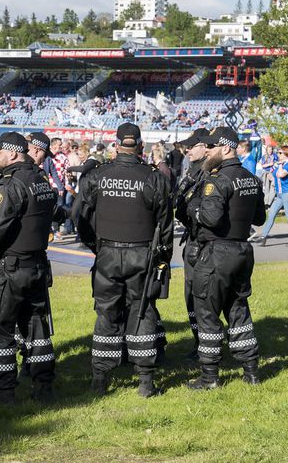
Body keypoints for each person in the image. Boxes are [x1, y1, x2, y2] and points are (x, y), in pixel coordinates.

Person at [76, 122, 173, 398]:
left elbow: (79, 216)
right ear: (141, 146)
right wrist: (162, 258)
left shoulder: (97, 176)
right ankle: (145, 380)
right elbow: (165, 225)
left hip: (107, 253)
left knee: (106, 313)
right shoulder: (154, 178)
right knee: (142, 312)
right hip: (142, 254)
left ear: (115, 145)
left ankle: (100, 377)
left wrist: (94, 245)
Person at [0, 132, 57, 405]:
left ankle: (6, 393)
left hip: (9, 269)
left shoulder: (10, 185)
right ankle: (43, 385)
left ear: (11, 153)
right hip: (36, 267)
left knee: (1, 330)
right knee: (37, 330)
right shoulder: (40, 180)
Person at [182, 127, 266, 390]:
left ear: (226, 148)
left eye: (212, 147)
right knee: (238, 309)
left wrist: (193, 208)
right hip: (243, 252)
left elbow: (211, 218)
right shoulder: (252, 178)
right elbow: (259, 219)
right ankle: (251, 371)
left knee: (207, 313)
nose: (207, 151)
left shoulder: (217, 180)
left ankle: (209, 377)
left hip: (217, 253)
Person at [173, 127, 210, 359]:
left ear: (205, 147)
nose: (187, 150)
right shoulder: (194, 170)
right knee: (191, 296)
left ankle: (206, 344)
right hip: (192, 238)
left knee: (201, 296)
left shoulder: (207, 172)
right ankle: (199, 342)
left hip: (202, 241)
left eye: (192, 146)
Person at [254, 146, 288, 247]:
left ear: (285, 154)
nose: (277, 155)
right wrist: (271, 176)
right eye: (278, 153)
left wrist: (279, 166)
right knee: (271, 214)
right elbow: (272, 174)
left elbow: (280, 175)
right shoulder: (279, 163)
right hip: (279, 194)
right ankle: (263, 237)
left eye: (280, 153)